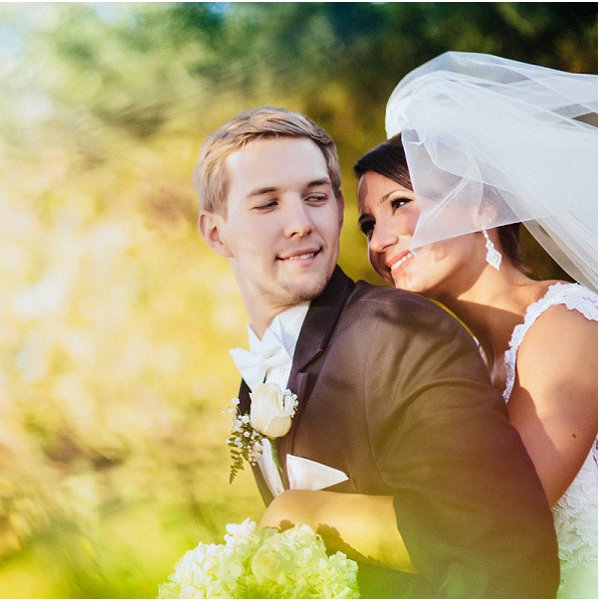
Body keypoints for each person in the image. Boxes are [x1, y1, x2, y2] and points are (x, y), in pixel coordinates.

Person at [194, 105, 559, 597]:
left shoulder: (398, 331)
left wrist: (302, 513)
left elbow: (505, 549)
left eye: (315, 197)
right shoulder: (254, 381)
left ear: (337, 208)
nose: (300, 222)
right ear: (216, 233)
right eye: (267, 204)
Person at [353, 52, 597, 598]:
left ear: (483, 207)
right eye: (370, 223)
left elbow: (499, 518)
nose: (379, 241)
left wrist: (316, 513)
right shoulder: (462, 361)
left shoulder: (565, 325)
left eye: (400, 204)